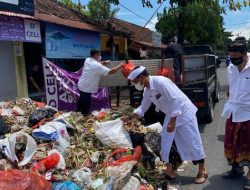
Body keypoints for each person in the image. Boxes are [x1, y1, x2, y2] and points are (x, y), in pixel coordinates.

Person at [121, 66, 207, 184]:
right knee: (166, 142)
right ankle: (169, 171)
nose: (135, 84)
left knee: (192, 141)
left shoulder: (161, 81)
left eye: (135, 81)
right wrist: (129, 117)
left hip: (184, 113)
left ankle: (202, 171)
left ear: (141, 77)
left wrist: (172, 121)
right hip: (170, 114)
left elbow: (175, 100)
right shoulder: (147, 90)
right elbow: (143, 107)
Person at [221, 40, 250, 190]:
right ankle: (236, 169)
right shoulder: (231, 67)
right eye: (230, 56)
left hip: (248, 112)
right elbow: (231, 87)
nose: (233, 59)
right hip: (233, 111)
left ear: (245, 55)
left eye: (236, 56)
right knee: (231, 142)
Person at [77, 49, 123, 115]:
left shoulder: (88, 60)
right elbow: (110, 71)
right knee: (85, 108)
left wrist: (104, 62)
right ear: (95, 55)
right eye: (99, 55)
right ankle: (83, 117)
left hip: (82, 85)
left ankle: (77, 114)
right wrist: (120, 66)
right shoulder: (96, 65)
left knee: (81, 103)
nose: (100, 56)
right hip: (86, 88)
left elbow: (97, 64)